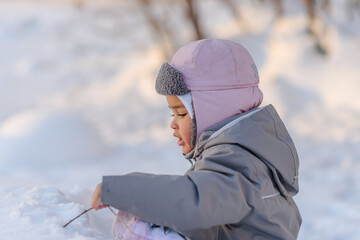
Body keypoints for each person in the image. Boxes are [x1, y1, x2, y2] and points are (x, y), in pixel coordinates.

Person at [92, 38, 302, 239]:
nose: (173, 124)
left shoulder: (239, 161)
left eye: (181, 114)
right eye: (172, 114)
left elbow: (196, 201)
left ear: (213, 111)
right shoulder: (250, 154)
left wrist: (125, 191)